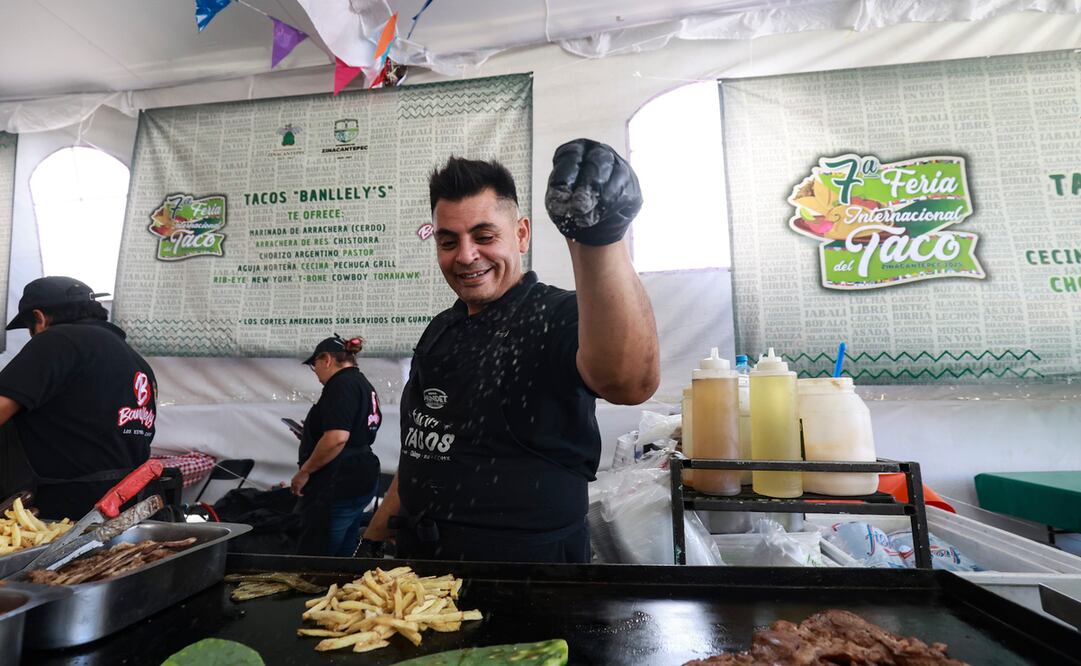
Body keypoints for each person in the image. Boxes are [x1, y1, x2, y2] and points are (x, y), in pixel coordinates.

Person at [359, 139, 659, 562]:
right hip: (422, 571)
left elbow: (630, 381)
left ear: (521, 234)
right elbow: (420, 448)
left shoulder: (556, 315)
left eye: (484, 236)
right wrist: (373, 538)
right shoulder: (441, 330)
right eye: (448, 242)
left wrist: (599, 241)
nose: (465, 256)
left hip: (531, 577)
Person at [0, 276, 157, 520]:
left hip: (54, 515)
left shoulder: (56, 341)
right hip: (121, 510)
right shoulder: (136, 360)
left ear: (39, 319)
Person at [292, 335, 383, 556]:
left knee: (321, 554)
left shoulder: (341, 384)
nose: (317, 374)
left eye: (315, 366)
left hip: (340, 479)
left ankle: (320, 587)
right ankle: (340, 583)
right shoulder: (362, 383)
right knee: (345, 547)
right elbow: (352, 430)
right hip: (360, 474)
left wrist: (305, 471)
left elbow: (338, 438)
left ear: (327, 360)